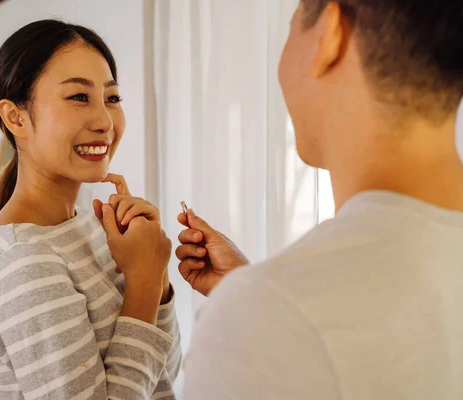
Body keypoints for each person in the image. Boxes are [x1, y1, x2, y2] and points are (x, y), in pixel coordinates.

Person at [165, 0, 462, 398]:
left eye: (291, 26)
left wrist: (257, 308)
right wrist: (253, 293)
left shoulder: (261, 321)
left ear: (329, 33)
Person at [0, 20, 181, 400]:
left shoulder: (93, 226)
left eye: (112, 98)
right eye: (79, 97)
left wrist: (157, 281)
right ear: (16, 117)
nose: (104, 122)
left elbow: (162, 376)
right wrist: (143, 280)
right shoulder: (23, 261)